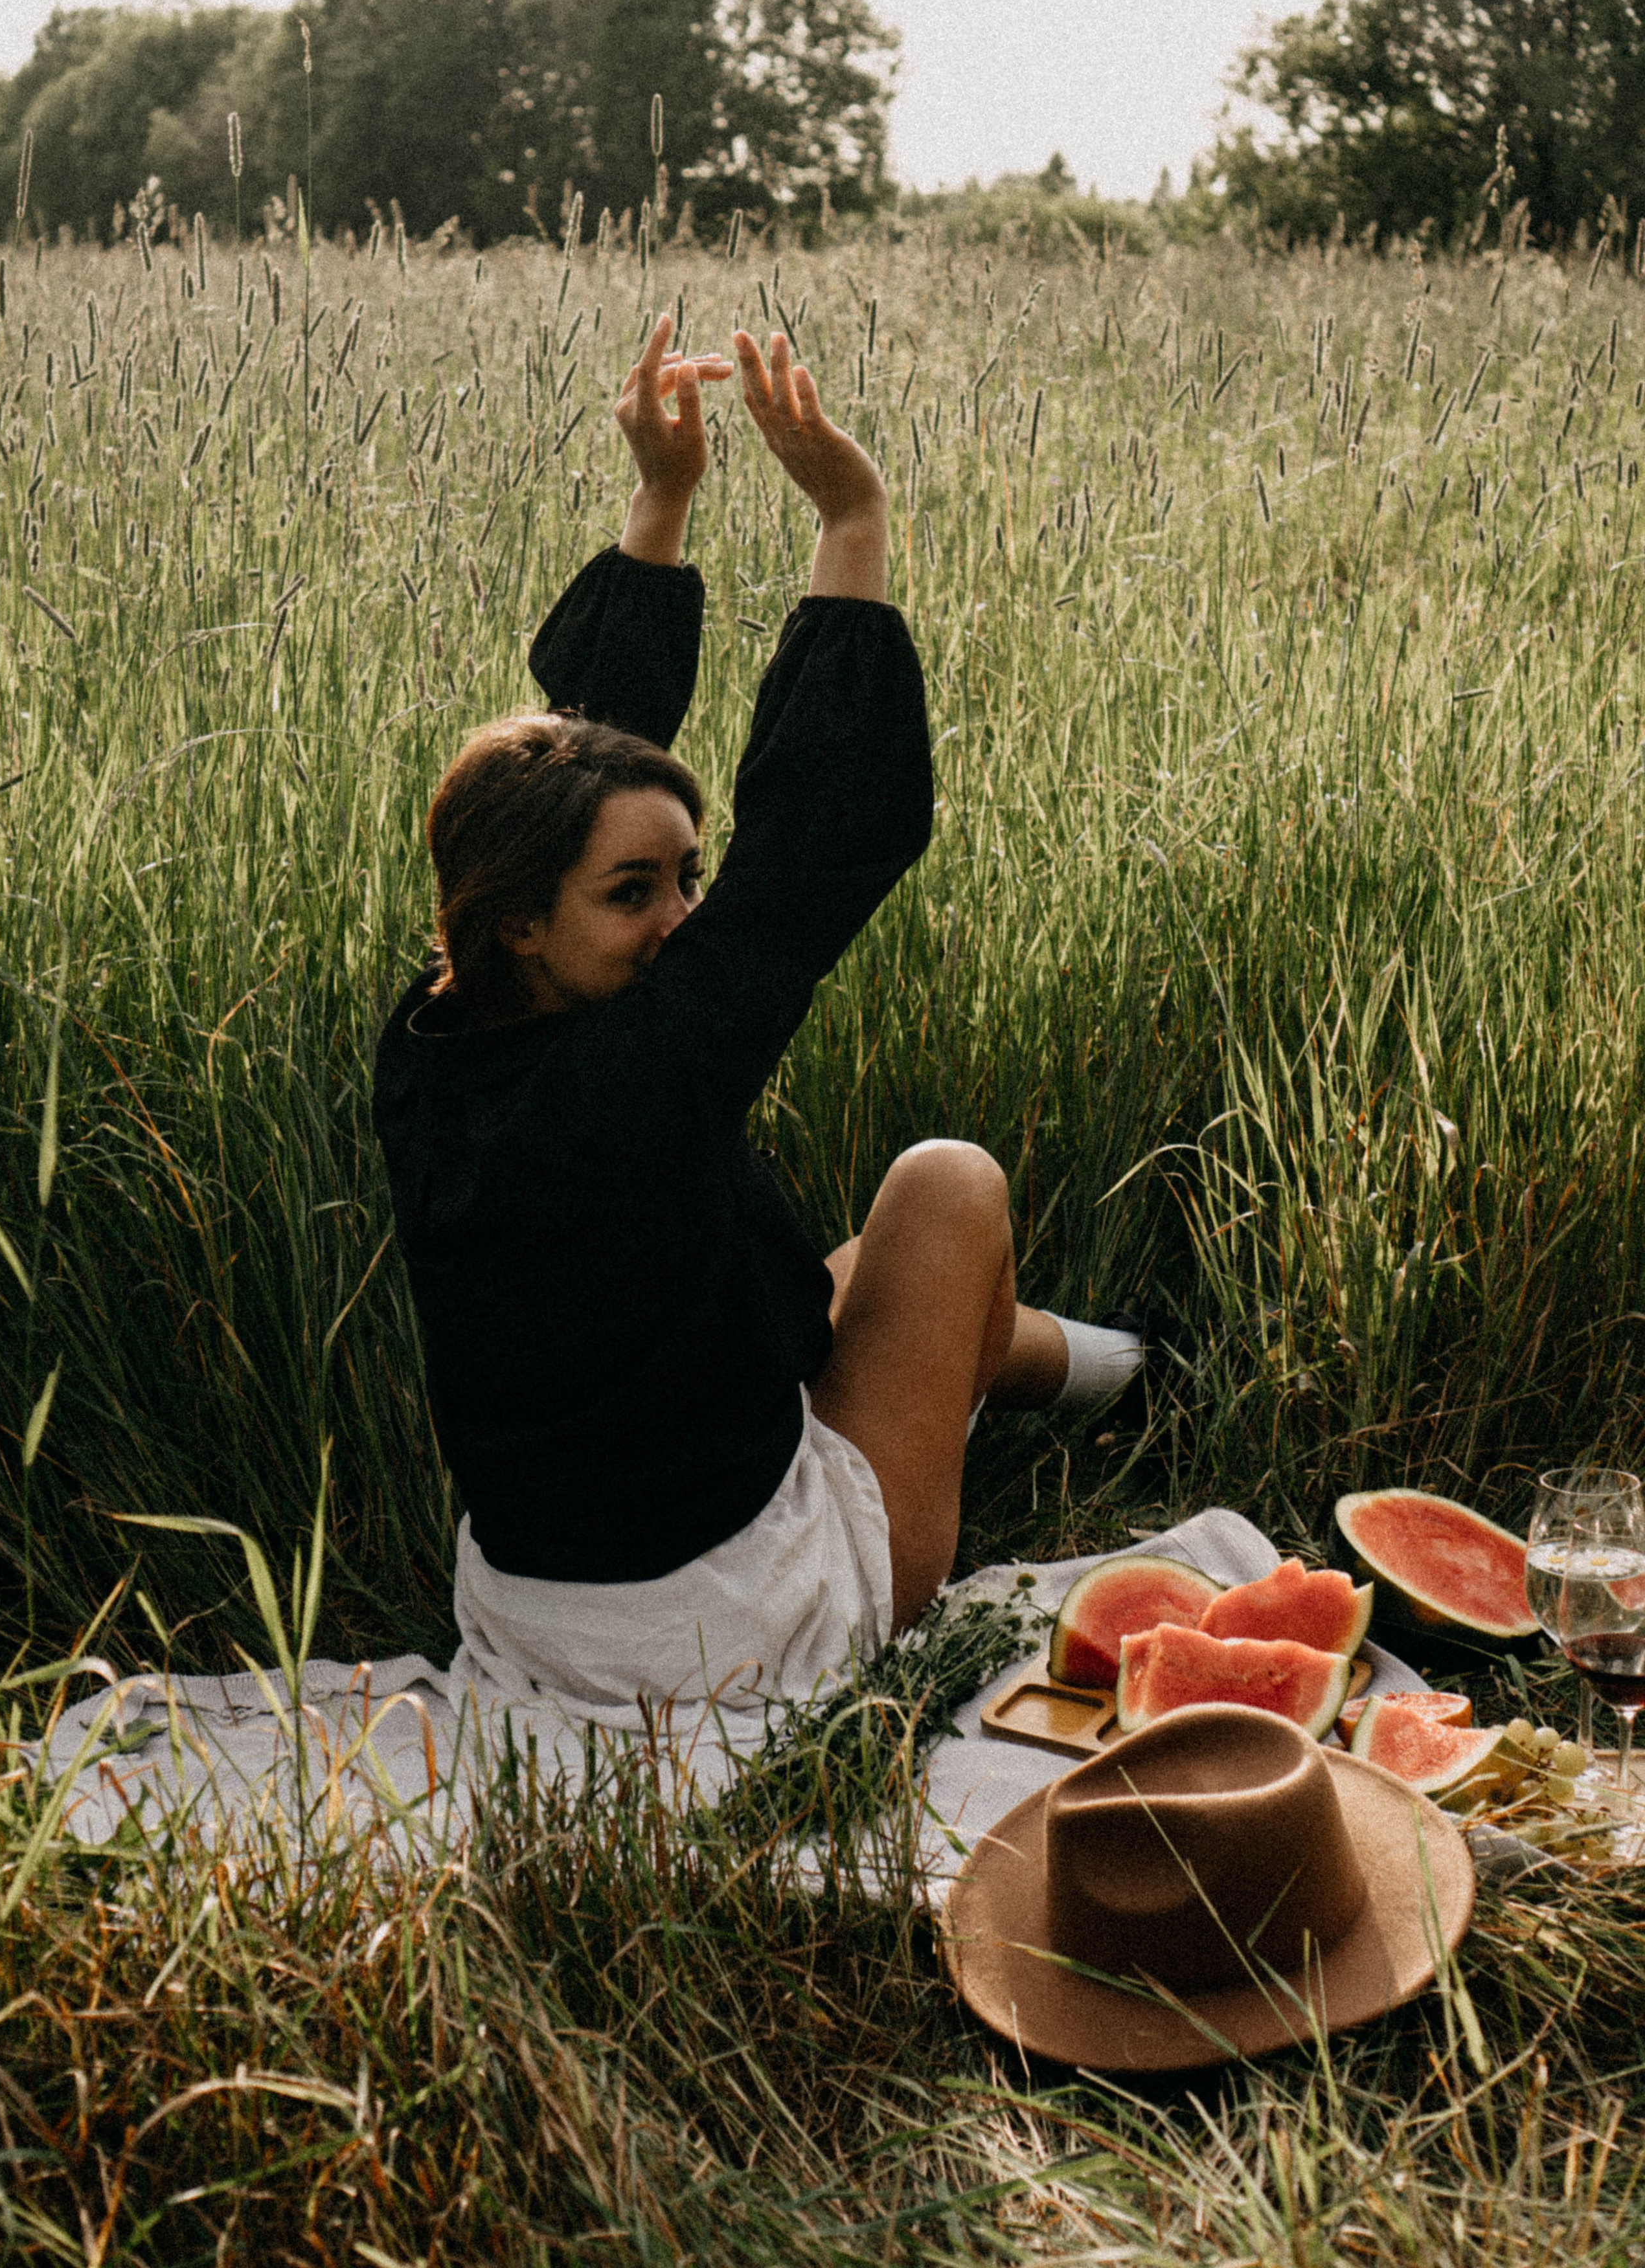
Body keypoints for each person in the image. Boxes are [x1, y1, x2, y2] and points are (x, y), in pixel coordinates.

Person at [372, 317, 1140, 1717]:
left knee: (841, 1275)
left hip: (543, 1612)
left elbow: (570, 762)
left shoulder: (429, 1034)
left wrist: (660, 503)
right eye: (632, 895)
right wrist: (850, 519)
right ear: (521, 919)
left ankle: (1115, 1374)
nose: (679, 921)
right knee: (943, 1193)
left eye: (688, 879)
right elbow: (822, 838)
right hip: (736, 1625)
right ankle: (1123, 1376)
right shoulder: (639, 1075)